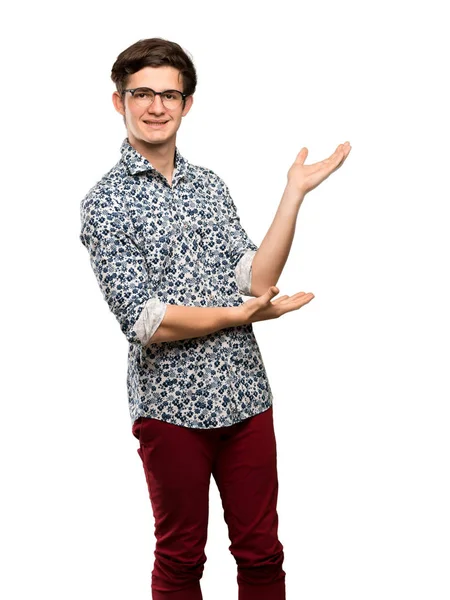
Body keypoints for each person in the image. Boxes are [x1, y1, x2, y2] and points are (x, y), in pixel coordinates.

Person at [79, 37, 351, 600]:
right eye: (143, 93)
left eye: (170, 94)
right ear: (118, 102)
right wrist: (239, 315)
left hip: (245, 397)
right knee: (180, 558)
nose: (157, 106)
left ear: (187, 104)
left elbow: (253, 278)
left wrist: (293, 194)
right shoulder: (105, 202)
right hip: (169, 409)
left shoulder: (210, 185)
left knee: (262, 554)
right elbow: (145, 321)